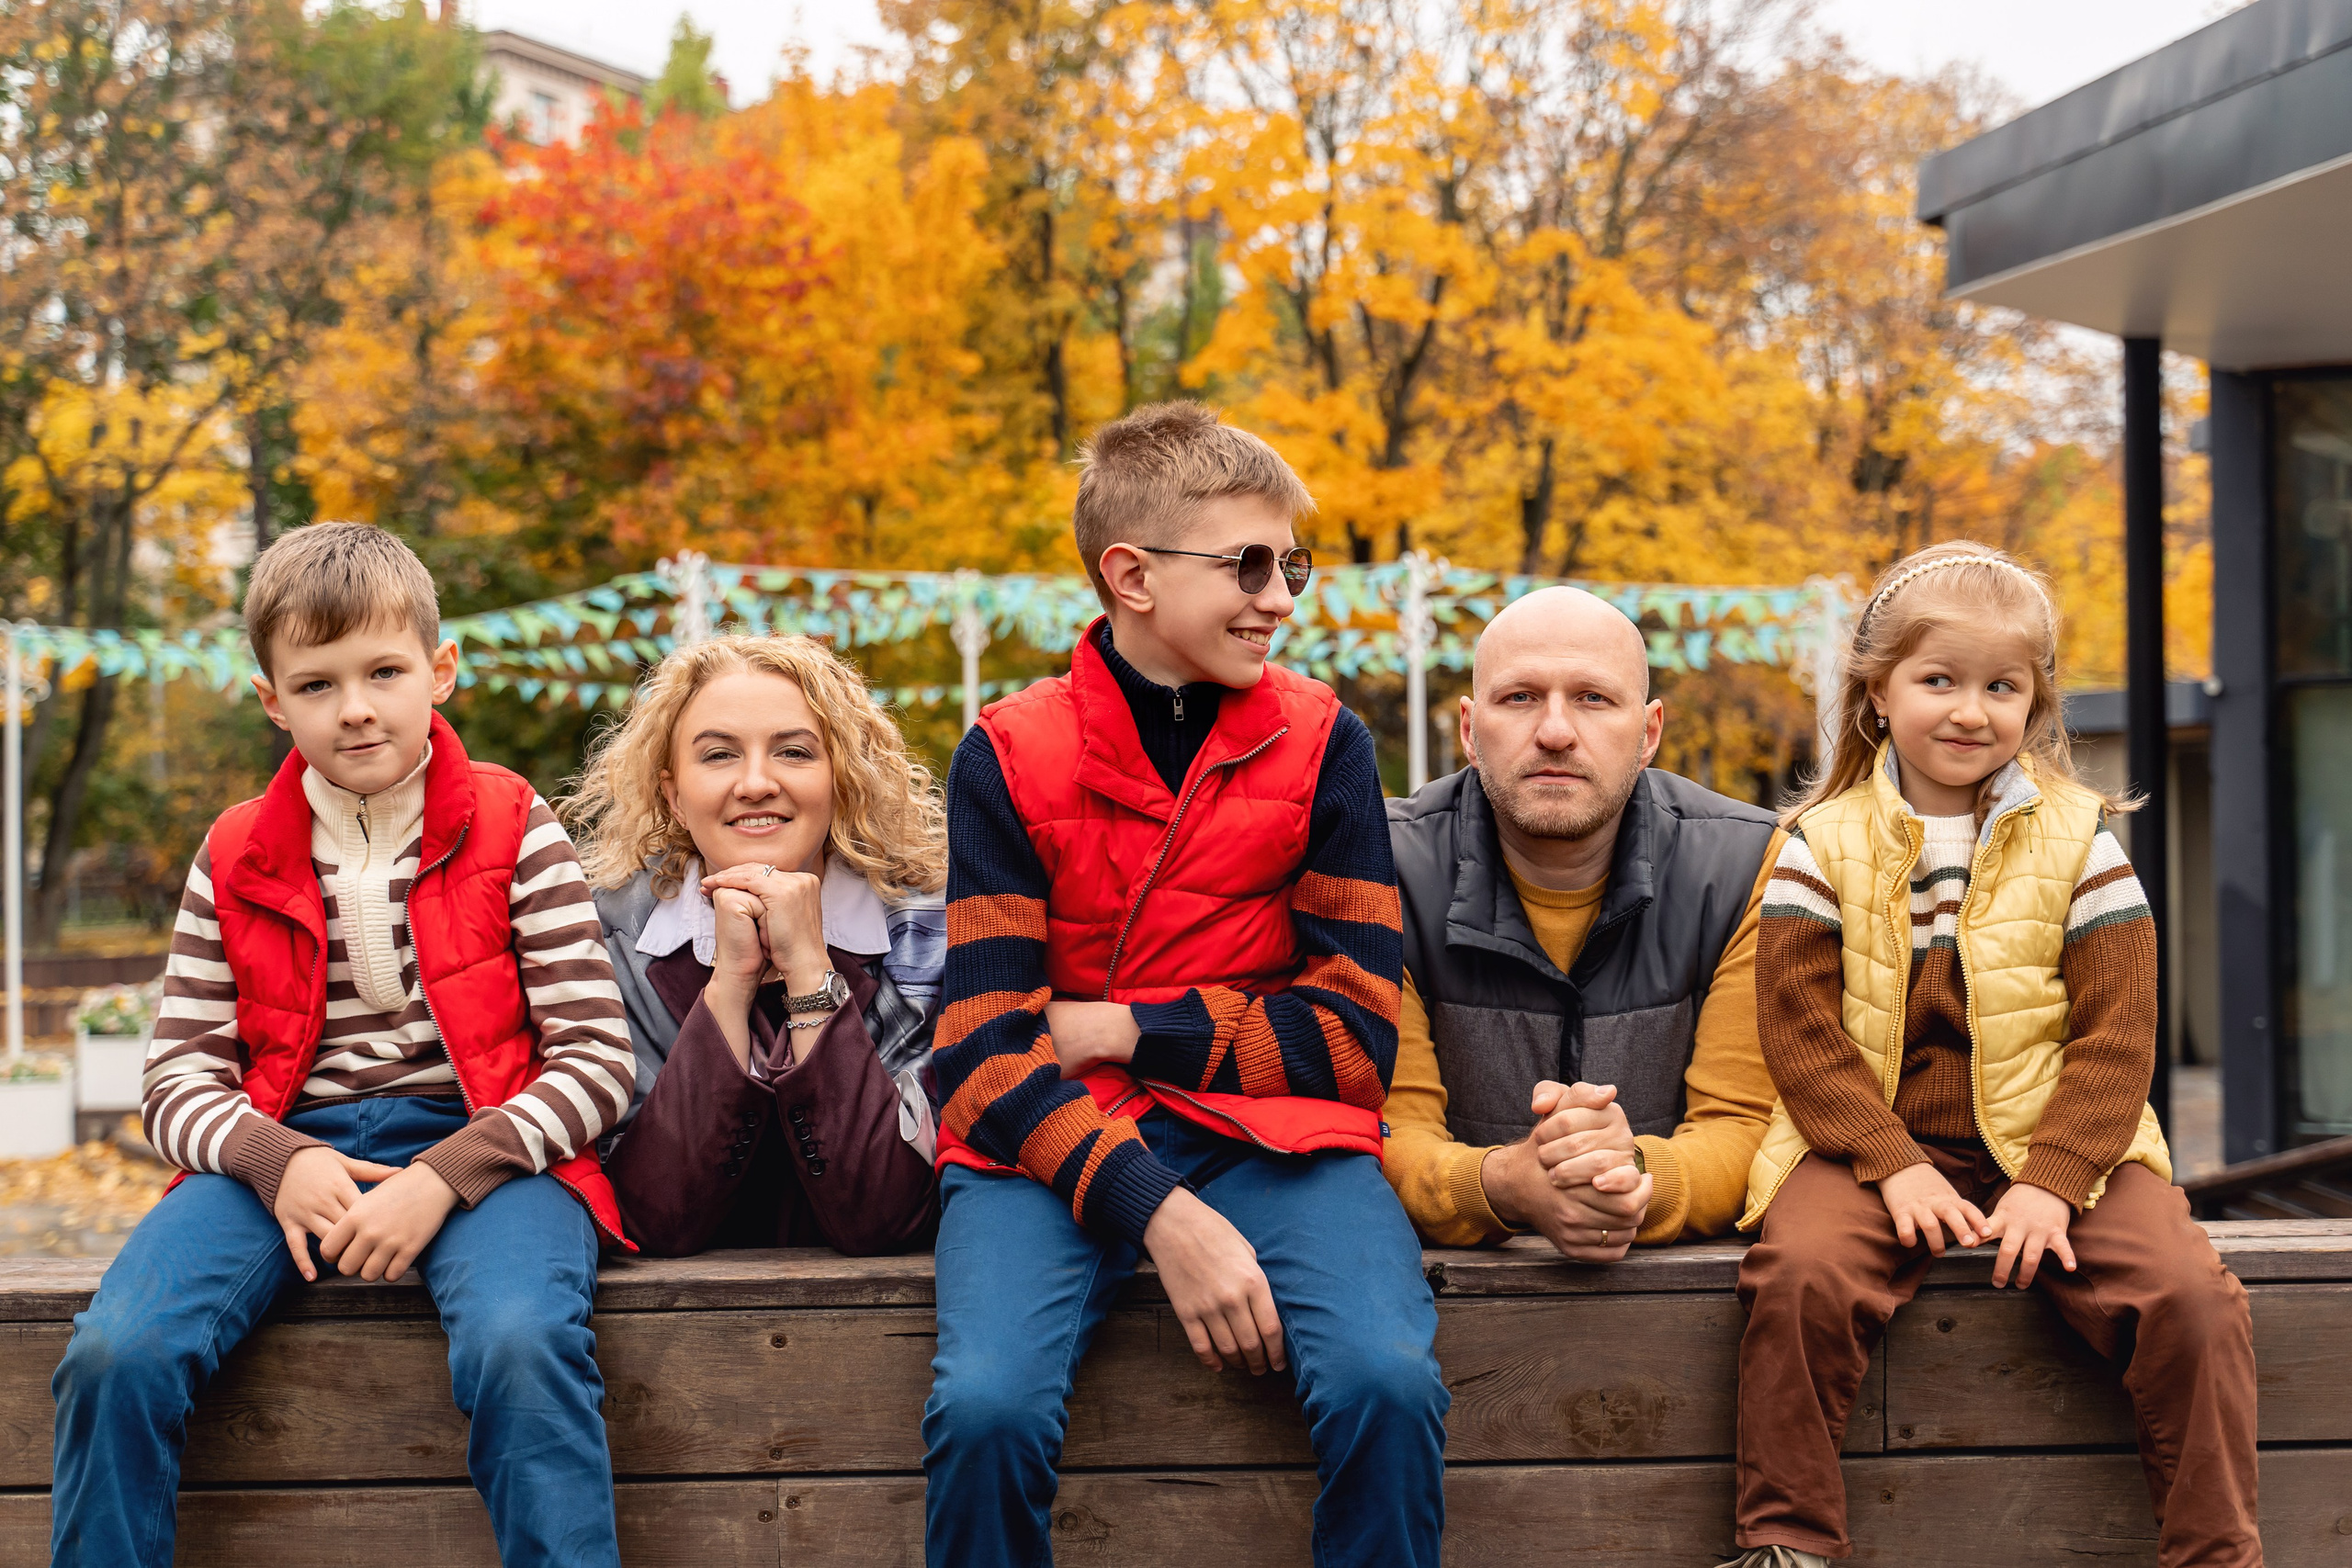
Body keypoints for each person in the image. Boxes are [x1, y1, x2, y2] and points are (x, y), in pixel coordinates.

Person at [921, 401, 1448, 1567]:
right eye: (1247, 564)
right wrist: (1156, 1210)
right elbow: (978, 1052)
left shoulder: (1324, 743)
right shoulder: (1007, 752)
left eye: (1290, 565)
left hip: (1273, 1137)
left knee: (1386, 1379)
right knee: (987, 1409)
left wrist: (1120, 1026)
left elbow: (1357, 1034)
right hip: (1048, 1143)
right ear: (1132, 576)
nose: (1279, 596)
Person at [50, 524, 638, 1568]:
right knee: (114, 1352)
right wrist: (280, 1162)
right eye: (316, 684)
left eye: (383, 672)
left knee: (522, 1343)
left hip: (490, 1147)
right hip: (286, 1142)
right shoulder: (234, 850)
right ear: (273, 701)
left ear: (438, 671)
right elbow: (176, 1074)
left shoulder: (515, 822)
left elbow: (596, 1060)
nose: (355, 706)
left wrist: (443, 1177)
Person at [1721, 541, 2258, 1568]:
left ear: (2035, 702)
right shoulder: (1817, 843)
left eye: (2000, 687)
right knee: (1799, 1279)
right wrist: (1892, 1161)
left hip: (2058, 1137)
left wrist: (2055, 1181)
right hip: (1862, 1138)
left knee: (2191, 1296)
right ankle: (1785, 1543)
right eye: (1939, 681)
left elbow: (2116, 1037)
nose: (1970, 711)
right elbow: (1800, 1032)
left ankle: (2216, 1552)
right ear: (1877, 692)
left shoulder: (2080, 841)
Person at [1384, 587, 1782, 1259]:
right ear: (1468, 729)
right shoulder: (1386, 864)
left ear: (1650, 731)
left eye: (1594, 698)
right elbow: (1387, 1130)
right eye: (1519, 697)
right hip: (1453, 1315)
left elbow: (1748, 1126)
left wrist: (1630, 1181)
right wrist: (1504, 1183)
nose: (1557, 731)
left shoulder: (1746, 864)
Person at [562, 634, 943, 1257]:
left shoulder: (925, 933)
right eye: (719, 756)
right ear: (674, 796)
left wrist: (808, 969)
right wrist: (731, 984)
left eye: (793, 751)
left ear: (840, 778)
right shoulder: (607, 936)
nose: (757, 782)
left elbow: (886, 1215)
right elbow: (652, 1218)